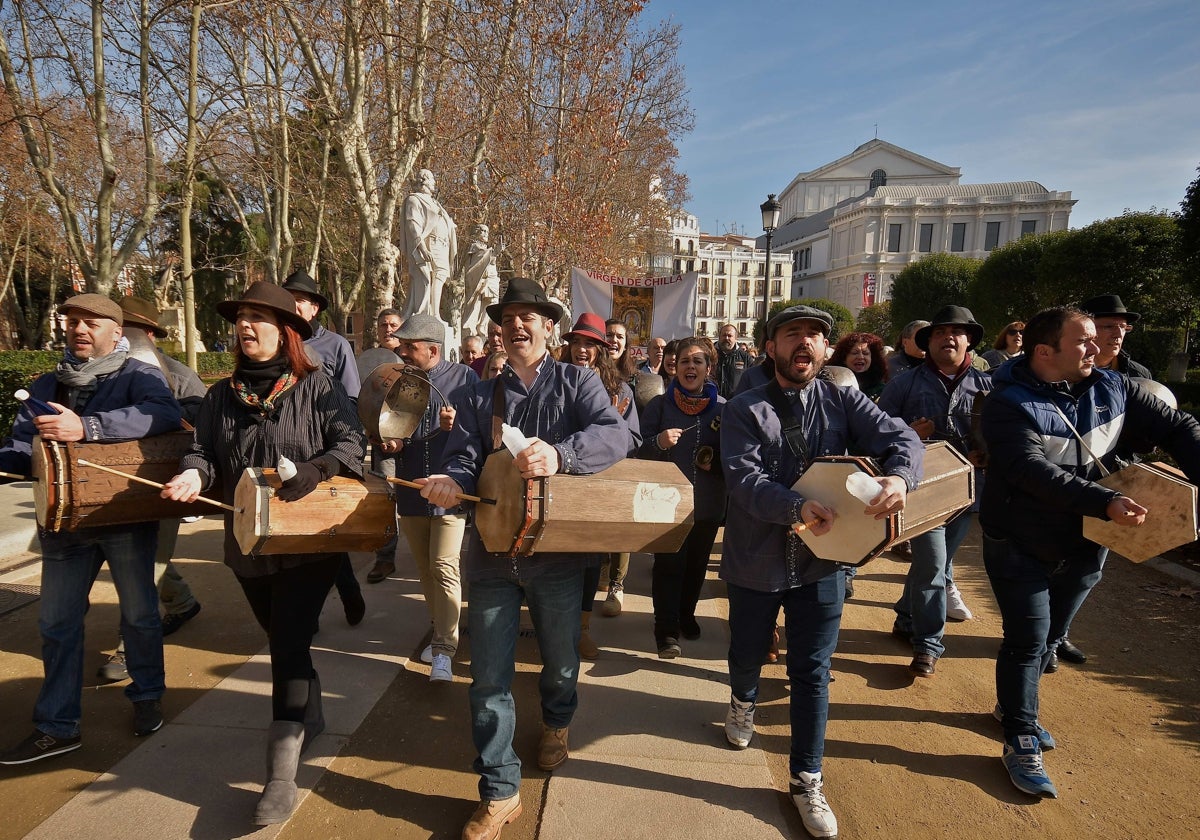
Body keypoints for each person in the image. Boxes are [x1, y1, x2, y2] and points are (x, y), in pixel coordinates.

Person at [417, 278, 627, 840]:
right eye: (509, 317)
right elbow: (460, 461)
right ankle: (499, 789)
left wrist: (562, 454)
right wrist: (446, 482)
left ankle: (557, 721)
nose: (518, 325)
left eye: (530, 316)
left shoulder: (578, 381)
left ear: (549, 327)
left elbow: (616, 435)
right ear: (499, 329)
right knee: (487, 676)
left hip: (557, 555)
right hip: (489, 553)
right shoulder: (474, 396)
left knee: (559, 662)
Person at [160, 281, 365, 825]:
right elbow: (203, 450)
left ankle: (279, 776)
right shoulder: (221, 394)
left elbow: (350, 444)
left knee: (289, 646)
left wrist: (318, 470)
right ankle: (311, 715)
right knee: (279, 636)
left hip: (308, 543)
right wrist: (190, 473)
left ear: (286, 330)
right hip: (246, 542)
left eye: (258, 317)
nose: (246, 326)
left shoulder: (317, 385)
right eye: (241, 318)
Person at [978, 305, 1200, 798]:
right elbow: (1030, 471)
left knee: (1052, 635)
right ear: (1044, 351)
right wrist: (1107, 501)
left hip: (1088, 540)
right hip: (1019, 538)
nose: (1097, 348)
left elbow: (1179, 428)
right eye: (1083, 341)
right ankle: (1020, 736)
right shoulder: (1005, 403)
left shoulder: (1113, 386)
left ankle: (1011, 706)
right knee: (1028, 640)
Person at [720, 304, 923, 839]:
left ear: (827, 350)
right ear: (770, 348)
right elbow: (742, 481)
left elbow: (902, 438)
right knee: (746, 652)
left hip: (824, 562)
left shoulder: (843, 396)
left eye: (815, 335)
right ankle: (742, 702)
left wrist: (902, 478)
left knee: (812, 671)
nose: (805, 343)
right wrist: (795, 508)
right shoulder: (743, 408)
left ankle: (807, 777)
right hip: (756, 558)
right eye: (793, 334)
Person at [0, 294, 181, 765]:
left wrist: (90, 427)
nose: (78, 329)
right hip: (63, 525)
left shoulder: (139, 376)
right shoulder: (48, 382)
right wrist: (13, 458)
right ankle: (58, 726)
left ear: (117, 333)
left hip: (122, 519)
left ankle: (147, 697)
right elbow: (21, 446)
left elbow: (162, 413)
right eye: (72, 321)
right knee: (56, 625)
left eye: (91, 323)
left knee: (140, 615)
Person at [96, 297, 208, 684]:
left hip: (164, 488)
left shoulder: (180, 377)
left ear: (146, 333)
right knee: (131, 561)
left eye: (126, 326)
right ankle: (182, 602)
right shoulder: (98, 375)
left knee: (146, 566)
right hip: (113, 488)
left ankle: (131, 648)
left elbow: (201, 434)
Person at [878, 305, 990, 677]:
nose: (949, 338)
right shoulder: (904, 384)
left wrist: (986, 452)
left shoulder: (987, 386)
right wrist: (910, 433)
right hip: (923, 489)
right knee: (932, 566)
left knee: (936, 565)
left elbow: (1005, 434)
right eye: (940, 333)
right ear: (928, 343)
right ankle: (928, 644)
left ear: (969, 339)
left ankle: (907, 616)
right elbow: (877, 429)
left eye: (957, 332)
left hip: (969, 490)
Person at [375, 313, 478, 681]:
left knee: (444, 565)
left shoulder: (465, 378)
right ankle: (439, 631)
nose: (402, 351)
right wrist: (392, 442)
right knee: (424, 568)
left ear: (432, 349)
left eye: (409, 346)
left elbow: (480, 434)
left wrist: (456, 425)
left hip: (451, 489)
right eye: (401, 345)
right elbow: (397, 428)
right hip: (412, 486)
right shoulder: (401, 380)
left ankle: (444, 649)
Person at [282, 270, 366, 626]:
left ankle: (347, 592)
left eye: (299, 300)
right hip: (282, 445)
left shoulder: (335, 345)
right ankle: (304, 614)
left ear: (314, 308)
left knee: (323, 531)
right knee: (290, 528)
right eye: (287, 298)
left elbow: (351, 397)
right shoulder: (278, 341)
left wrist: (340, 448)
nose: (292, 305)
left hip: (321, 451)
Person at [561, 312, 640, 658]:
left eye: (589, 345)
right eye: (576, 343)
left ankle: (581, 630)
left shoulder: (619, 390)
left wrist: (603, 442)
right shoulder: (554, 379)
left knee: (591, 560)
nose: (581, 350)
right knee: (557, 559)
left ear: (602, 351)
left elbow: (633, 436)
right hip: (560, 482)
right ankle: (554, 627)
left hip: (598, 485)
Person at [640, 336, 725, 658]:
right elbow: (639, 448)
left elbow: (736, 456)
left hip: (708, 504)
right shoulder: (660, 405)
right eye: (685, 361)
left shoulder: (724, 408)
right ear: (675, 366)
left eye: (698, 361)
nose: (691, 366)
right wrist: (659, 442)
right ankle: (666, 630)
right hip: (666, 504)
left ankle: (687, 615)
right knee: (668, 567)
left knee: (696, 566)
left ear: (708, 368)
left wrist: (714, 461)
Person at [357, 308, 404, 585]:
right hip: (383, 441)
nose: (389, 329)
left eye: (394, 324)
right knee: (386, 497)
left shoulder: (416, 356)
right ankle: (385, 557)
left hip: (418, 441)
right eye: (384, 324)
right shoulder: (369, 361)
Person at [401, 168, 458, 320]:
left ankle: (435, 314)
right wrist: (421, 246)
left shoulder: (436, 203)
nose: (435, 183)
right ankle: (424, 315)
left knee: (440, 277)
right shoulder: (414, 199)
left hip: (442, 246)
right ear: (425, 180)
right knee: (426, 278)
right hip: (429, 244)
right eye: (432, 179)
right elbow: (412, 224)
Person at [1082, 294, 1151, 378]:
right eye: (1109, 327)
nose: (1118, 334)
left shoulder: (1138, 375)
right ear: (1086, 330)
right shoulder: (1069, 372)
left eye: (1123, 327)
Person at [461, 223, 501, 339]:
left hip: (490, 281)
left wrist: (495, 253)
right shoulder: (474, 247)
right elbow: (477, 264)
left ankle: (483, 328)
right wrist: (494, 252)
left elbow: (490, 260)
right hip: (477, 282)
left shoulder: (486, 250)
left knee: (490, 304)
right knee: (474, 306)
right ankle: (470, 329)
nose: (485, 234)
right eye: (483, 231)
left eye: (487, 232)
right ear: (477, 232)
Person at [828, 332, 888, 401]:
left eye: (865, 353)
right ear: (844, 358)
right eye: (854, 353)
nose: (860, 357)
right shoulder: (830, 384)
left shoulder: (881, 389)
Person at [715, 322, 751, 397]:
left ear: (736, 338)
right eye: (724, 335)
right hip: (712, 402)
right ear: (719, 337)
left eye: (729, 336)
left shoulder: (745, 358)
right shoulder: (709, 354)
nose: (726, 338)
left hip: (735, 404)